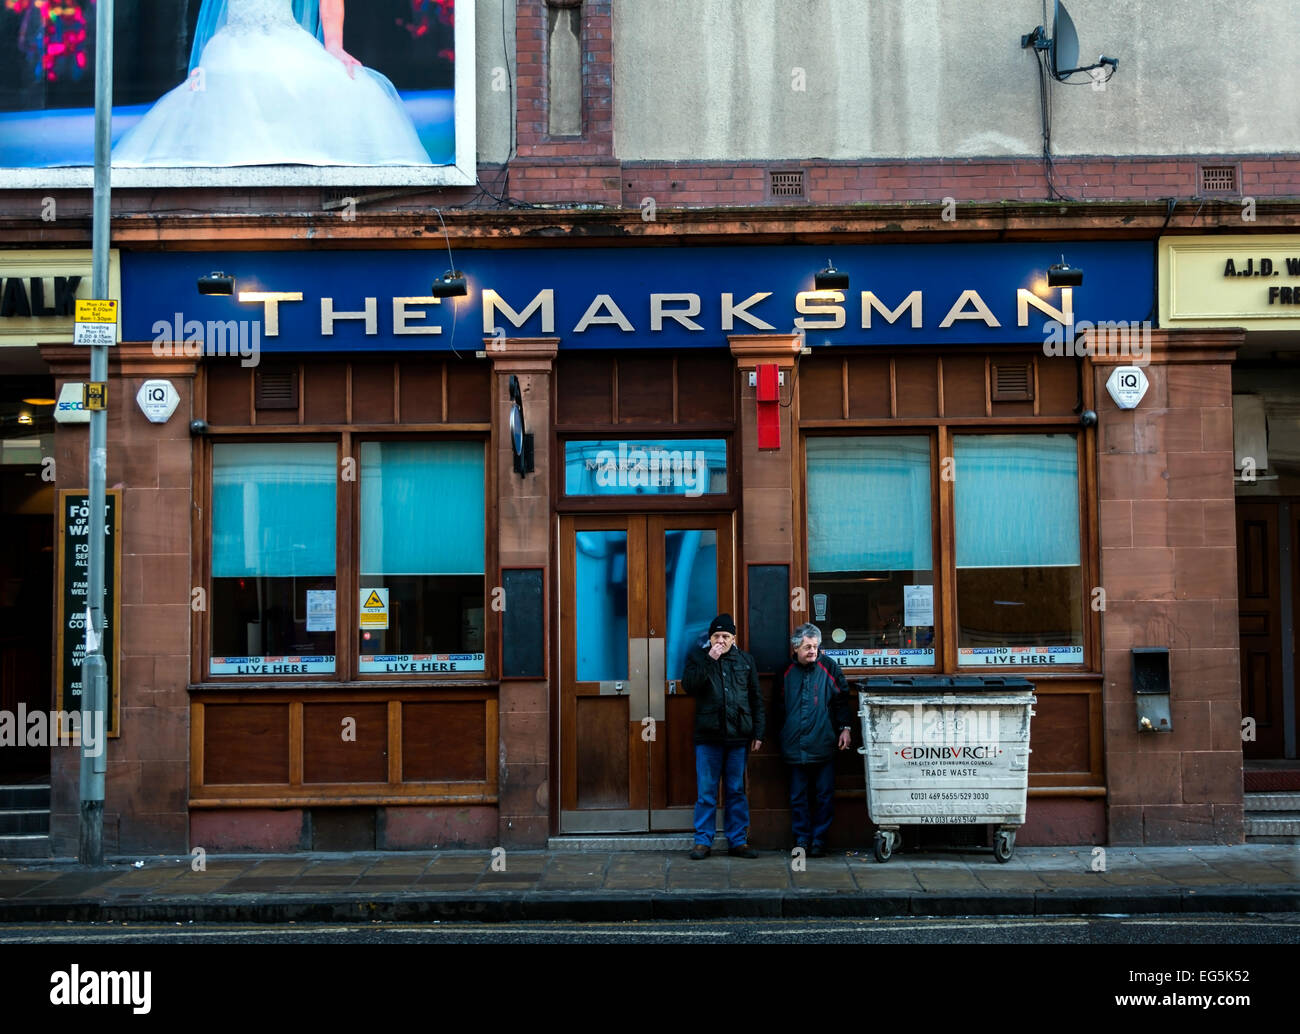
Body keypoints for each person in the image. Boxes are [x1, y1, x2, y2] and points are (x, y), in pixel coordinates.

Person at [113, 0, 432, 167]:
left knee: (328, 86)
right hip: (230, 45)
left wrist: (334, 44)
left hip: (282, 35)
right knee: (220, 89)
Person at [682, 613, 764, 860]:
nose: (721, 640)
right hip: (708, 736)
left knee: (736, 790)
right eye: (716, 636)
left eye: (725, 636)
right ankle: (702, 841)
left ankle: (738, 841)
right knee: (706, 791)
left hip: (738, 736)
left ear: (733, 638)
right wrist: (710, 659)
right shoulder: (699, 657)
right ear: (710, 637)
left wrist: (758, 731)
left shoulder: (745, 660)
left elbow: (756, 698)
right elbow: (690, 686)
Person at [769, 622, 853, 857]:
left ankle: (819, 840)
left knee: (824, 796)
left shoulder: (829, 667)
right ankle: (802, 839)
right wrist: (780, 734)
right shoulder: (784, 672)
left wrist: (845, 728)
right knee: (798, 797)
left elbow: (841, 701)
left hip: (824, 744)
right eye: (807, 647)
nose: (812, 651)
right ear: (795, 648)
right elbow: (777, 707)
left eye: (815, 646)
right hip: (794, 746)